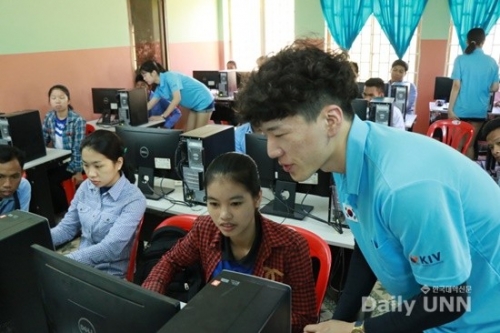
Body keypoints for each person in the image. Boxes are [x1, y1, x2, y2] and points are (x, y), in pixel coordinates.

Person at [236, 40, 500, 332]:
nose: (271, 150)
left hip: (480, 317)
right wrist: (343, 319)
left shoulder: (405, 186)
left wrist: (359, 331)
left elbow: (450, 299)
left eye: (279, 134)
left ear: (331, 120)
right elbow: (370, 244)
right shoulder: (342, 157)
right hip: (433, 305)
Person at [142, 152, 317, 332]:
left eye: (235, 204)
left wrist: (251, 320)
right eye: (214, 204)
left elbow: (305, 318)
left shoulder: (291, 246)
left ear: (257, 198)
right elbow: (171, 261)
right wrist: (150, 298)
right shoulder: (205, 229)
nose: (224, 216)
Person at [50, 130, 147, 278]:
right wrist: (37, 239)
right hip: (81, 266)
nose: (90, 174)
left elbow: (110, 248)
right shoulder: (85, 187)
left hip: (110, 274)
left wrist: (68, 262)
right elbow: (66, 228)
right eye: (86, 165)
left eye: (98, 166)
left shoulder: (134, 199)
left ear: (118, 163)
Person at [448, 28, 499, 160]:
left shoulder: (460, 59)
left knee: (458, 145)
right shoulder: (492, 62)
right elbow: (494, 87)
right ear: (483, 41)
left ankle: (455, 176)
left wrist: (450, 109)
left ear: (467, 41)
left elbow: (456, 85)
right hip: (479, 111)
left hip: (460, 111)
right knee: (469, 146)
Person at [42, 84, 86, 215]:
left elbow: (79, 148)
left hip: (74, 161)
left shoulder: (77, 120)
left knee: (52, 180)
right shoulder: (49, 117)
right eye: (54, 98)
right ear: (49, 101)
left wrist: (77, 171)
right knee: (39, 176)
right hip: (57, 160)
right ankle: (48, 212)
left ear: (69, 100)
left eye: (61, 97)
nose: (57, 101)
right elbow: (43, 139)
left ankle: (63, 211)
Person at [139, 60, 215, 132]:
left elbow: (177, 98)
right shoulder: (159, 89)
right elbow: (149, 105)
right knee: (189, 134)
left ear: (154, 73)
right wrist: (133, 113)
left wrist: (163, 116)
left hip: (203, 99)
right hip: (193, 105)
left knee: (199, 136)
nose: (144, 78)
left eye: (145, 75)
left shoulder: (170, 76)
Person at [0, 145, 31, 214]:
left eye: (14, 176)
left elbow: (22, 221)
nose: (7, 184)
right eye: (0, 177)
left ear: (22, 173)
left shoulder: (23, 187)